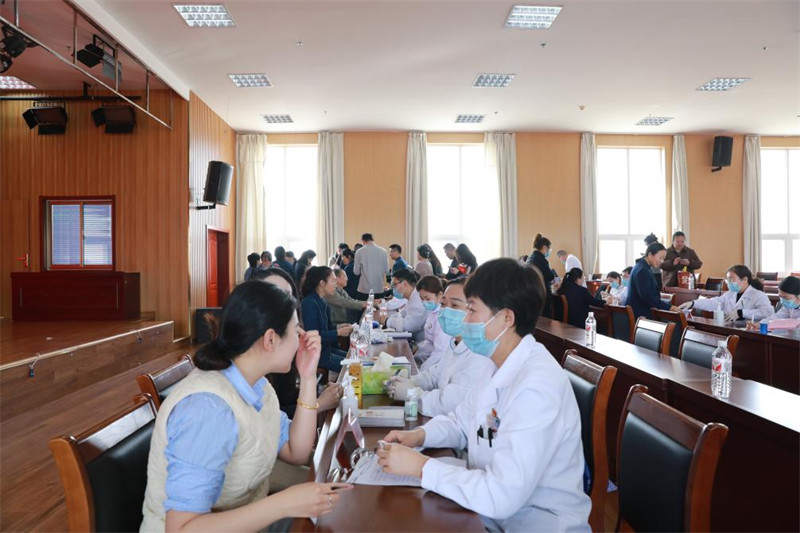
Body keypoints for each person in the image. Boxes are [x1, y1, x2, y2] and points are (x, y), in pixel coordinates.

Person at [376, 258, 591, 532]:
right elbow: (461, 421)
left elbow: (501, 495)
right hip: (492, 514)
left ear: (506, 318)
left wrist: (422, 467)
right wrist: (418, 436)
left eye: (471, 310)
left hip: (535, 522)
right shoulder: (497, 362)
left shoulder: (537, 387)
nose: (465, 320)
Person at [140, 282, 351, 532]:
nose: (301, 339)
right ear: (270, 339)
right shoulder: (208, 409)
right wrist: (284, 504)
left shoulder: (258, 385)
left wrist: (307, 377)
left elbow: (296, 451)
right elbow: (181, 529)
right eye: (296, 331)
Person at [386, 277, 494, 417]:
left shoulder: (478, 355)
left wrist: (412, 394)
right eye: (443, 304)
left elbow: (447, 404)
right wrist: (411, 381)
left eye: (455, 306)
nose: (446, 310)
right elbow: (435, 375)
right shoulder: (455, 343)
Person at [251, 268, 343, 418]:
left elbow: (284, 401)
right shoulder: (247, 370)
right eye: (273, 298)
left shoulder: (283, 356)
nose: (285, 307)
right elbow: (268, 419)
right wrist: (318, 404)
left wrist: (316, 390)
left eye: (288, 298)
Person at [300, 266, 352, 372]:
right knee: (354, 368)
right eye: (333, 281)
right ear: (322, 283)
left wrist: (339, 327)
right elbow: (312, 336)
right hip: (316, 355)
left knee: (355, 359)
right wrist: (338, 332)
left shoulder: (322, 301)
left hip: (326, 350)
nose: (335, 284)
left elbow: (326, 328)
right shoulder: (309, 303)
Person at [679, 265, 774, 321]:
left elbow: (767, 312)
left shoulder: (758, 295)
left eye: (731, 279)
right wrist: (693, 303)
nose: (728, 283)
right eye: (727, 280)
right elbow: (714, 303)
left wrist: (741, 313)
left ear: (744, 279)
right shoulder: (731, 294)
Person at [628, 242, 681, 319]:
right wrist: (670, 307)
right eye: (660, 258)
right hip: (641, 315)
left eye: (663, 259)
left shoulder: (641, 266)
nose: (662, 261)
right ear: (650, 254)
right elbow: (648, 299)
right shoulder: (643, 270)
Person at [380, 267, 427, 342]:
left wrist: (387, 321)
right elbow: (402, 314)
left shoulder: (418, 299)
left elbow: (410, 326)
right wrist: (388, 318)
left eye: (395, 285)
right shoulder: (412, 297)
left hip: (421, 343)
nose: (394, 289)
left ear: (405, 284)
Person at [412, 276, 449, 367]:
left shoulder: (442, 318)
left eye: (427, 299)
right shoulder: (432, 313)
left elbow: (439, 352)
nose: (424, 302)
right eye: (421, 298)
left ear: (440, 295)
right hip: (425, 358)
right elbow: (429, 341)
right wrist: (419, 348)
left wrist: (423, 370)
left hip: (434, 364)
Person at [526, 233, 555, 318]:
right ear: (544, 247)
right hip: (541, 295)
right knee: (545, 320)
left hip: (532, 294)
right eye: (549, 249)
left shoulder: (530, 258)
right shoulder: (541, 259)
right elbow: (550, 276)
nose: (548, 251)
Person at [353, 233, 390, 300]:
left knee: (364, 306)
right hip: (379, 288)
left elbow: (356, 272)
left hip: (364, 289)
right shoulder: (383, 251)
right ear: (373, 239)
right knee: (378, 306)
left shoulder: (359, 252)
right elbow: (387, 271)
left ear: (363, 241)